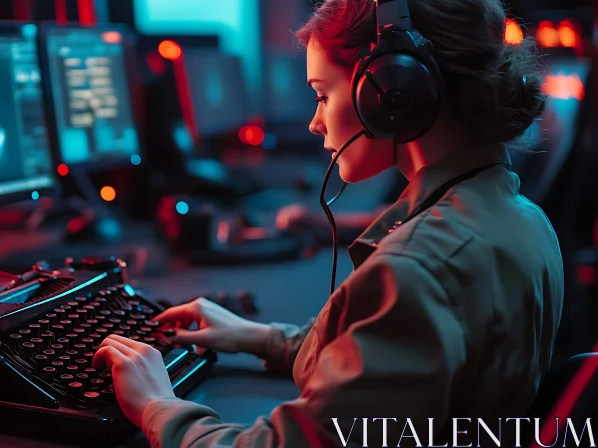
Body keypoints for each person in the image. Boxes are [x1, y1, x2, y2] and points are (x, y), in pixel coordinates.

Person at [92, 0, 564, 446]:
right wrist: (264, 338)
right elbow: (398, 365)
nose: (317, 122)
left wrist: (156, 404)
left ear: (391, 94)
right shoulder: (523, 220)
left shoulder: (418, 273)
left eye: (322, 95)